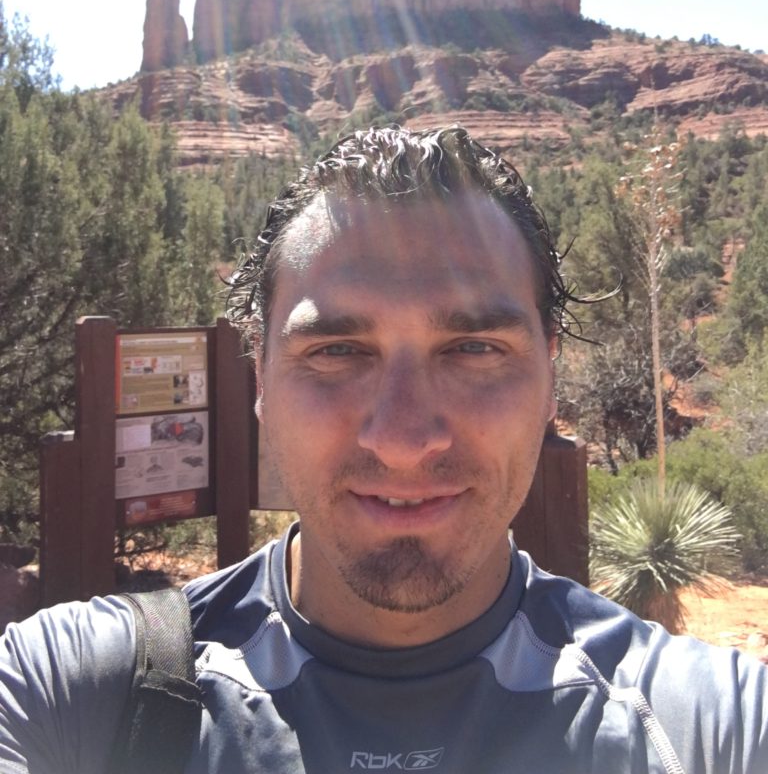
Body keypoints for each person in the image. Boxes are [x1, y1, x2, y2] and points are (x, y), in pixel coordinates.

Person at [1, 124, 766, 773]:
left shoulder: (705, 727)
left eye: (473, 348)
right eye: (336, 351)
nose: (403, 440)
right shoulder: (69, 693)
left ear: (550, 374)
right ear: (260, 377)